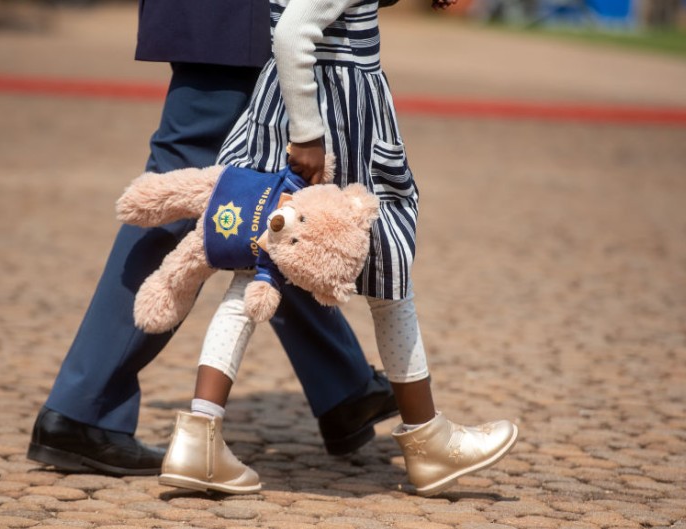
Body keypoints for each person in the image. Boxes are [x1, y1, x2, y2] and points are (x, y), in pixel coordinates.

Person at [157, 0, 519, 497]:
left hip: (307, 114)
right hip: (334, 127)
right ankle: (428, 440)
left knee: (256, 266)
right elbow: (292, 31)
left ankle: (199, 437)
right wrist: (308, 134)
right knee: (390, 271)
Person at [26, 0, 400, 477]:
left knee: (269, 197)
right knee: (186, 188)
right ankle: (83, 406)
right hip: (235, 16)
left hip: (224, 16)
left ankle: (343, 386)